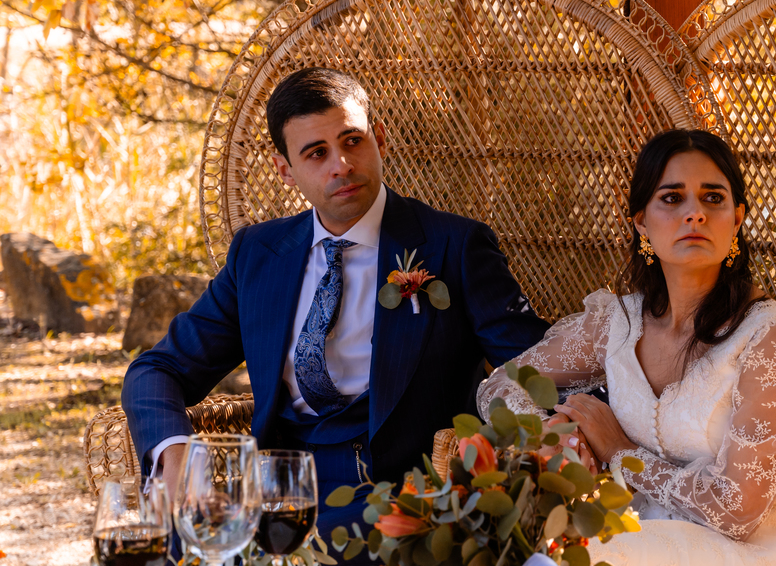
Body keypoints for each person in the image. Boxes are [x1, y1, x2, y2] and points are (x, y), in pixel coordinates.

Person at [122, 67, 550, 547]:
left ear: (379, 139)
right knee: (173, 544)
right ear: (286, 170)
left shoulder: (455, 246)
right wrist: (176, 455)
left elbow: (538, 368)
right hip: (276, 490)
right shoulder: (258, 254)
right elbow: (158, 369)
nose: (341, 165)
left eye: (352, 141)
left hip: (403, 498)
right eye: (316, 153)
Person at [478, 128, 776, 566]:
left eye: (713, 198)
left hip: (745, 550)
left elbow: (737, 513)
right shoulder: (618, 324)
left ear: (736, 220)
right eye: (672, 198)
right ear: (641, 221)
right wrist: (549, 436)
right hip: (633, 529)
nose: (695, 213)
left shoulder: (770, 338)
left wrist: (619, 450)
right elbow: (500, 384)